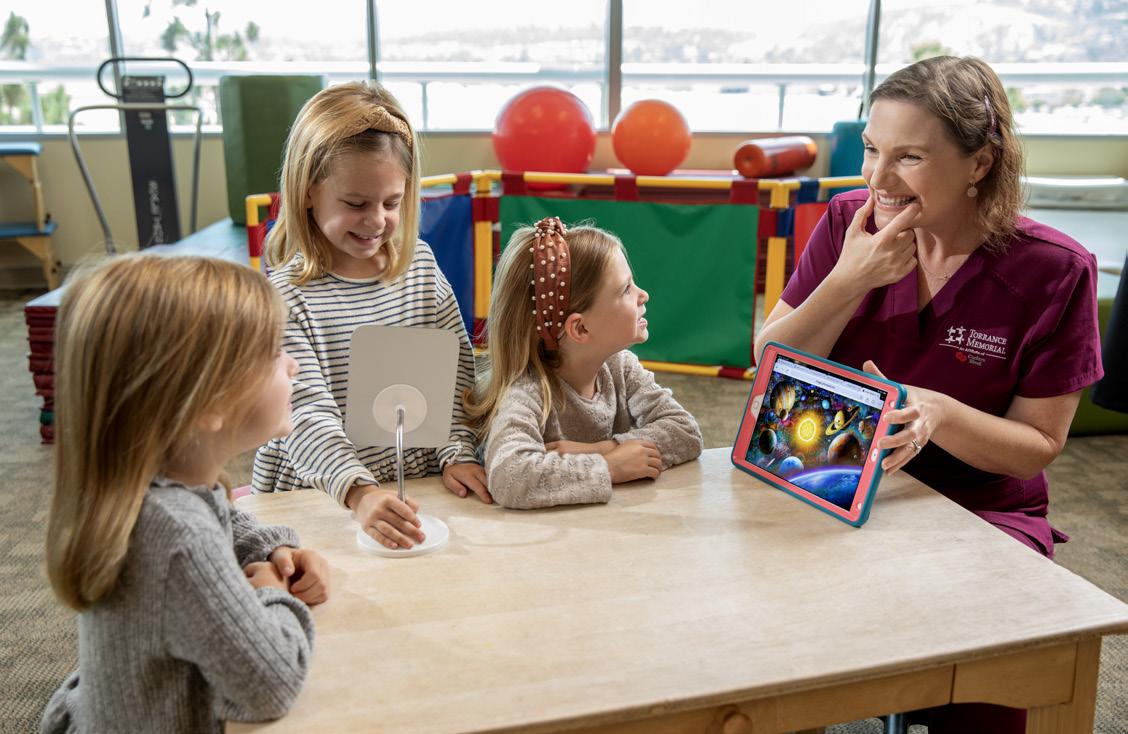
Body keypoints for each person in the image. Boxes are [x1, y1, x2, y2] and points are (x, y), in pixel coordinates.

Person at [756, 56, 1103, 734]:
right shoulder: (849, 221)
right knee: (762, 636)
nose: (877, 179)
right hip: (830, 478)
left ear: (980, 163)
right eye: (872, 149)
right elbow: (770, 370)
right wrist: (849, 279)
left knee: (989, 653)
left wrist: (936, 411)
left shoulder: (1056, 270)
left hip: (982, 511)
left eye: (909, 157)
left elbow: (1036, 446)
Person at [41, 255, 328, 734]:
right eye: (274, 354)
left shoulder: (150, 482)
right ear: (207, 403)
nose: (293, 365)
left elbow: (217, 514)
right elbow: (270, 684)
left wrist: (270, 550)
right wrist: (272, 595)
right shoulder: (178, 537)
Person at [253, 81, 489, 552]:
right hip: (318, 492)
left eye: (391, 203)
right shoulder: (286, 297)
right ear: (308, 192)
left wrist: (457, 453)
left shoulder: (421, 268)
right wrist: (359, 492)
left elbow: (456, 377)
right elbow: (304, 414)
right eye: (356, 204)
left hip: (413, 486)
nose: (377, 220)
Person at [465, 217, 703, 509]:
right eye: (626, 289)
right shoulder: (527, 392)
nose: (643, 295)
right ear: (580, 329)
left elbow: (685, 431)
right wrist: (610, 467)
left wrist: (601, 449)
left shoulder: (620, 368)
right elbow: (509, 477)